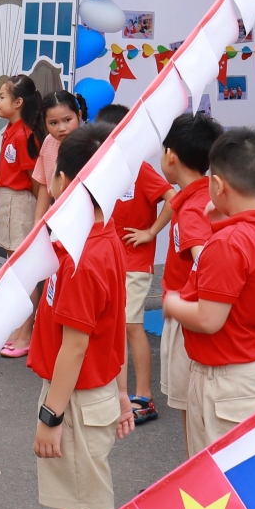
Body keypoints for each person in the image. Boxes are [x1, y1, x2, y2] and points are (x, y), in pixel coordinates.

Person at [30, 121, 136, 509]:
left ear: (64, 180)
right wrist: (123, 395)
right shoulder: (101, 236)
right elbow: (113, 328)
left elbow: (75, 347)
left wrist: (49, 416)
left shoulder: (82, 255)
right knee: (72, 500)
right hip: (90, 390)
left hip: (74, 398)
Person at [164, 127, 255, 457]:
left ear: (217, 186)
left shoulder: (227, 243)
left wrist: (171, 302)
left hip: (226, 382)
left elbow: (208, 319)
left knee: (220, 491)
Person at [102, 103, 178, 426]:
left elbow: (173, 200)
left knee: (130, 327)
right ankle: (118, 395)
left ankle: (143, 397)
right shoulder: (105, 169)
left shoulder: (140, 169)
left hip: (134, 263)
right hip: (111, 262)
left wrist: (150, 232)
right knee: (115, 326)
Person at [2, 89, 86, 358]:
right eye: (53, 123)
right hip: (56, 225)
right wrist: (38, 227)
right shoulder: (49, 145)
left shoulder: (90, 146)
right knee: (49, 281)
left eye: (68, 120)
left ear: (80, 116)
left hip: (83, 229)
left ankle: (62, 342)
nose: (61, 128)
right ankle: (41, 335)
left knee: (74, 286)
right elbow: (42, 187)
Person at [156, 112, 223, 436]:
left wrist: (182, 305)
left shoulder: (192, 210)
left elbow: (206, 261)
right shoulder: (203, 196)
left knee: (192, 415)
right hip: (194, 315)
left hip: (189, 319)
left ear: (171, 156)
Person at [0, 75, 44, 353]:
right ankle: (20, 326)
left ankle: (26, 332)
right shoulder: (12, 130)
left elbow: (34, 179)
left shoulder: (24, 134)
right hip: (10, 200)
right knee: (15, 270)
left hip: (21, 203)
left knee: (23, 271)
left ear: (19, 102)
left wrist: (40, 213)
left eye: (3, 97)